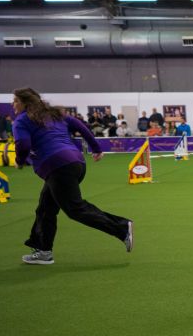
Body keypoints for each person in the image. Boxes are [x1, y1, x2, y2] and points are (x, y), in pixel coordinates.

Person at [11, 88, 132, 265]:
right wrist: (96, 148)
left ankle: (122, 228)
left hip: (58, 167)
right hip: (76, 163)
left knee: (75, 209)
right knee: (45, 208)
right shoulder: (55, 114)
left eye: (15, 101)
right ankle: (44, 251)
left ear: (24, 103)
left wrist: (20, 160)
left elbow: (23, 143)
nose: (12, 104)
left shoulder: (21, 121)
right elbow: (81, 127)